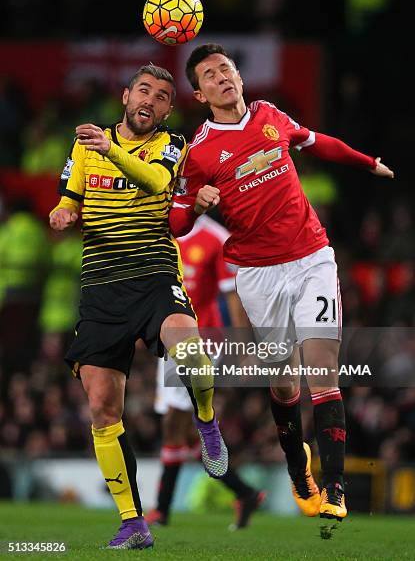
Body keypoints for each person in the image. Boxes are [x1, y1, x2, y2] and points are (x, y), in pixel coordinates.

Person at [169, 44, 394, 525]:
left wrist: (365, 161)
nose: (223, 77)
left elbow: (318, 142)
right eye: (211, 74)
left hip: (312, 256)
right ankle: (299, 470)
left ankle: (335, 490)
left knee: (322, 371)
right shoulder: (200, 153)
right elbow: (176, 221)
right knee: (284, 381)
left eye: (227, 68)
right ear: (199, 92)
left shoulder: (270, 115)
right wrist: (196, 206)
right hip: (257, 272)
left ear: (239, 76)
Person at [49, 65, 228, 550]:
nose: (151, 99)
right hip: (101, 288)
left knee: (191, 353)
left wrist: (112, 152)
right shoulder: (87, 144)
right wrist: (64, 211)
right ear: (127, 96)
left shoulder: (172, 145)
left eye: (163, 96)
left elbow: (155, 183)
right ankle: (133, 522)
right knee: (103, 409)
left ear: (169, 109)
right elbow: (71, 197)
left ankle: (207, 422)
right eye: (144, 90)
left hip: (153, 277)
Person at [146, 214, 265, 529]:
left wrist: (242, 347)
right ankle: (245, 493)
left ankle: (161, 510)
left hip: (203, 340)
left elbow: (232, 296)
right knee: (184, 431)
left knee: (176, 421)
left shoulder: (216, 238)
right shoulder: (161, 230)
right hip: (169, 337)